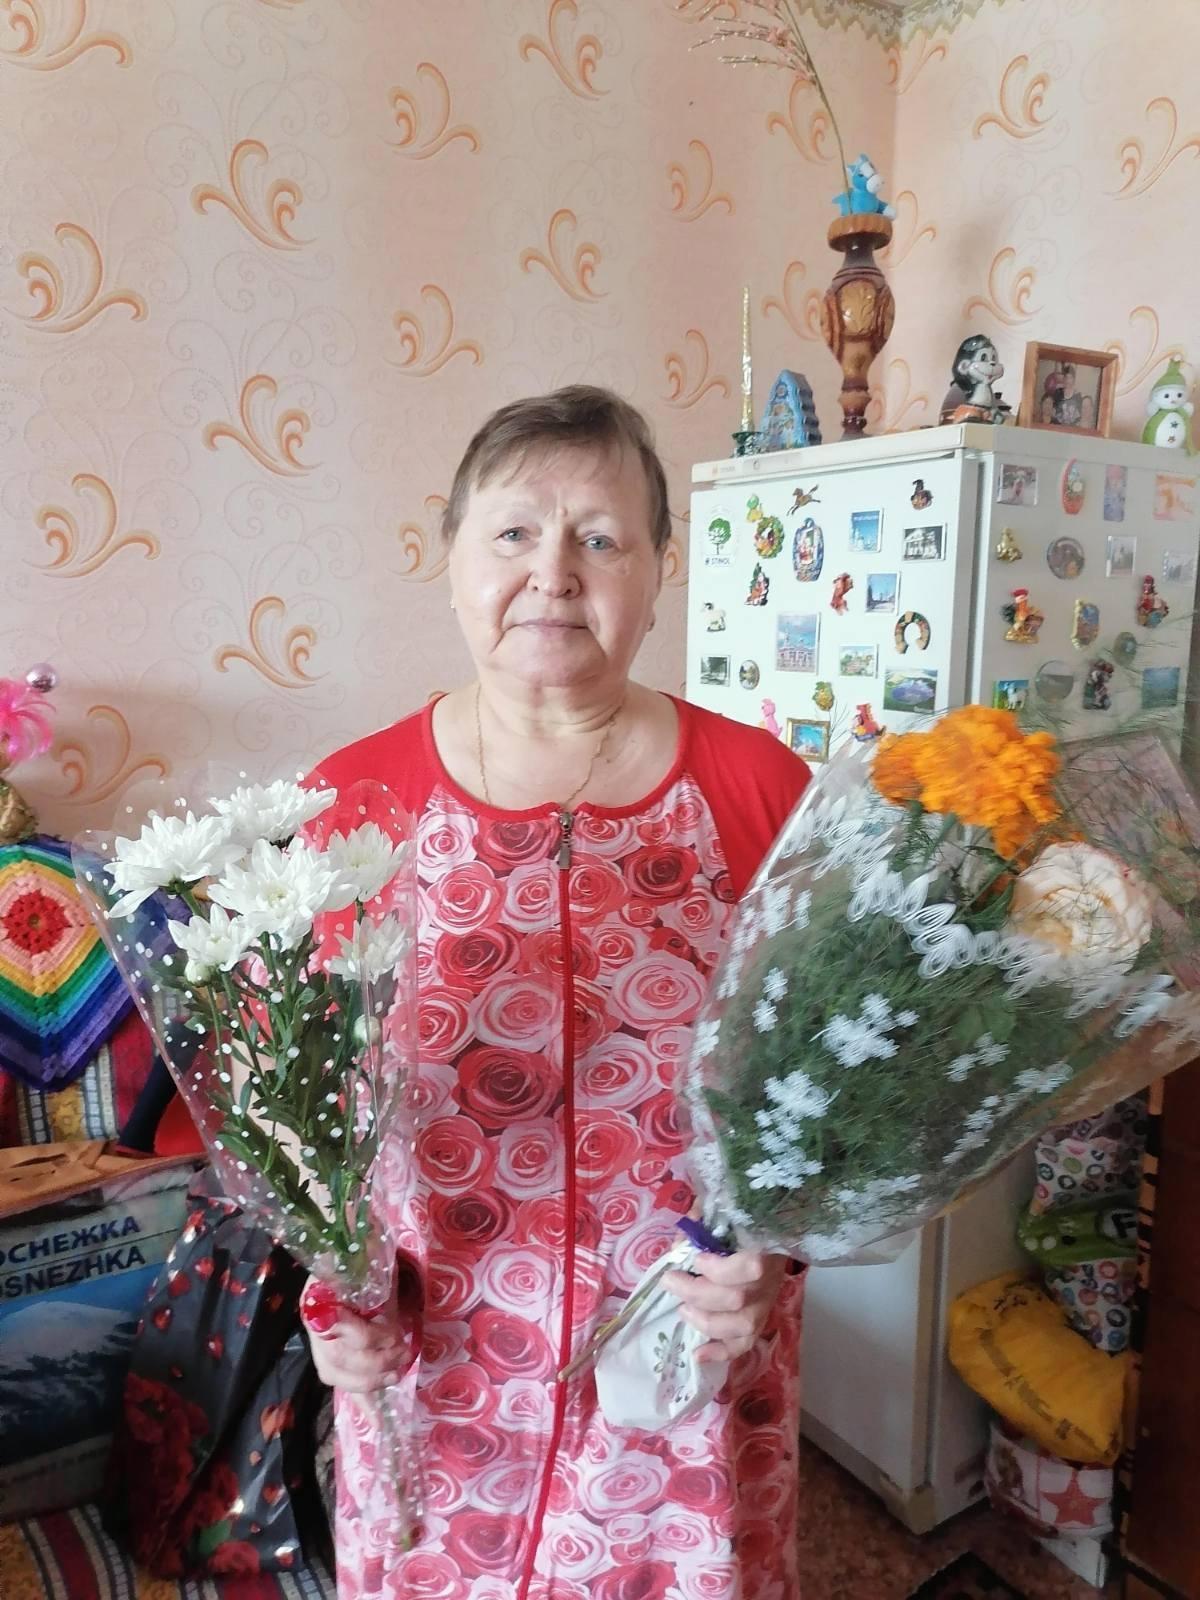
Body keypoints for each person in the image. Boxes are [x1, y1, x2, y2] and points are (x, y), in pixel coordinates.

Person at [305, 386, 811, 1599]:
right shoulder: (351, 805)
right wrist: (331, 1293)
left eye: (600, 536)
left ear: (660, 568)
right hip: (439, 1373)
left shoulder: (758, 787)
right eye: (514, 533)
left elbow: (830, 1087)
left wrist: (778, 1259)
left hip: (684, 1369)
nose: (554, 573)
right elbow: (307, 1110)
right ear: (450, 560)